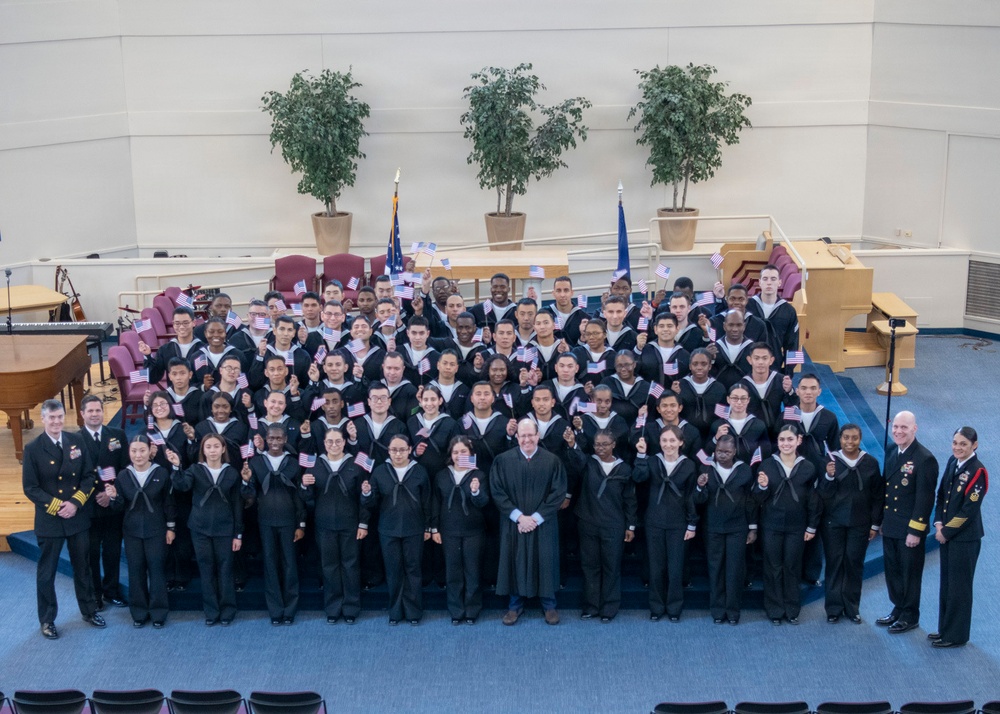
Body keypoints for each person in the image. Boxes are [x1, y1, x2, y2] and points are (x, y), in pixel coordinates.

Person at [22, 399, 104, 639]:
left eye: (60, 417)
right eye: (52, 418)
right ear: (43, 420)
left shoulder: (76, 441)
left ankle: (89, 611)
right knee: (47, 573)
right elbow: (31, 488)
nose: (57, 422)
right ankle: (47, 620)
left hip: (76, 517)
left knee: (84, 568)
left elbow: (89, 477)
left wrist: (75, 503)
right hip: (51, 519)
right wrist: (58, 506)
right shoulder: (33, 449)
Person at [167, 434, 253, 626]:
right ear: (203, 450)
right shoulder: (195, 470)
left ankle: (227, 610)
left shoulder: (232, 472)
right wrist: (175, 466)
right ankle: (211, 612)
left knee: (225, 570)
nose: (212, 450)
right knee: (206, 570)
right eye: (208, 447)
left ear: (223, 449)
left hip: (225, 529)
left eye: (216, 446)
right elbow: (182, 485)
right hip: (200, 529)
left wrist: (237, 533)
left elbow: (238, 505)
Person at [491, 419, 568, 626]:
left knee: (545, 560)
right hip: (514, 523)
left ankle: (549, 605)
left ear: (538, 435)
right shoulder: (502, 461)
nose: (527, 439)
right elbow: (497, 492)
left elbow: (558, 493)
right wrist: (519, 517)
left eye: (530, 435)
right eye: (522, 436)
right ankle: (515, 606)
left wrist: (535, 518)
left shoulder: (552, 461)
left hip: (543, 523)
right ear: (517, 438)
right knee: (515, 559)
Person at [361, 435, 433, 625]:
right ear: (388, 451)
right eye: (394, 450)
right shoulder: (380, 471)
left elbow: (427, 501)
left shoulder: (419, 471)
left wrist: (428, 526)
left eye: (402, 450)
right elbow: (371, 503)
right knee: (393, 572)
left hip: (414, 528)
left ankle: (413, 612)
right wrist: (367, 493)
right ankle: (395, 611)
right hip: (388, 529)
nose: (398, 454)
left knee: (413, 570)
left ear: (410, 450)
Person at [877, 410, 938, 634]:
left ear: (915, 429)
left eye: (904, 427)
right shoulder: (892, 450)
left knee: (909, 573)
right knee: (892, 570)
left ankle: (910, 615)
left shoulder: (925, 458)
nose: (899, 431)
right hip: (891, 523)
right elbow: (886, 489)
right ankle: (898, 607)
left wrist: (916, 530)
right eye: (896, 427)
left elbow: (925, 498)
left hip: (909, 528)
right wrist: (881, 521)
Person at [817, 423, 884, 624]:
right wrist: (829, 476)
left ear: (860, 439)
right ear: (840, 439)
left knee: (854, 565)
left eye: (854, 438)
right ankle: (833, 608)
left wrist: (874, 524)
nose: (850, 442)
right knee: (835, 564)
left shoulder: (870, 462)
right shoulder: (830, 461)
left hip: (860, 523)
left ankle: (852, 608)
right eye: (846, 437)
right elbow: (822, 495)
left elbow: (877, 496)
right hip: (833, 522)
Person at [753, 424, 819, 625]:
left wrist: (811, 526)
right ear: (777, 442)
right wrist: (762, 486)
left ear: (798, 441)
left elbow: (813, 500)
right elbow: (758, 498)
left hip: (797, 527)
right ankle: (774, 609)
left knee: (791, 566)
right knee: (772, 566)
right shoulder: (766, 465)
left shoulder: (808, 467)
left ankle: (791, 609)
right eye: (782, 440)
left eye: (790, 439)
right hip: (771, 525)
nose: (786, 443)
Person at [301, 426, 368, 624]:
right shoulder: (315, 465)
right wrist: (303, 485)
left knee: (350, 566)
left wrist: (363, 523)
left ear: (344, 442)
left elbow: (364, 499)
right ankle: (333, 607)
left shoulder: (355, 465)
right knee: (329, 567)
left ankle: (351, 608)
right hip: (325, 525)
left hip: (350, 524)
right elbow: (307, 498)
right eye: (330, 442)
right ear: (324, 444)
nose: (334, 445)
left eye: (338, 441)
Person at [929, 426, 987, 648]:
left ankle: (956, 635)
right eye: (955, 442)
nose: (958, 447)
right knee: (947, 584)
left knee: (960, 589)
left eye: (963, 444)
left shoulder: (977, 471)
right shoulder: (953, 462)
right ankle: (945, 629)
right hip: (948, 534)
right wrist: (938, 523)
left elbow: (968, 510)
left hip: (965, 539)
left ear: (975, 445)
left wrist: (946, 531)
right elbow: (942, 494)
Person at [243, 424, 307, 625]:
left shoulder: (293, 463)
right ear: (266, 439)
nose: (275, 442)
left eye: (279, 438)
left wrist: (301, 524)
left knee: (289, 565)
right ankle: (275, 610)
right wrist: (245, 482)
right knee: (270, 565)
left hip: (289, 521)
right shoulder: (256, 462)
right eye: (271, 438)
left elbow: (299, 497)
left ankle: (290, 609)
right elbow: (249, 497)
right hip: (266, 521)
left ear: (286, 439)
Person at [110, 435, 176, 628]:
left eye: (142, 450)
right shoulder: (123, 475)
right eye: (134, 451)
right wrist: (114, 498)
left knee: (157, 571)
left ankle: (158, 613)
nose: (138, 455)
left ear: (150, 451)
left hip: (156, 529)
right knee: (136, 571)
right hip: (132, 531)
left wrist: (171, 527)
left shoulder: (161, 473)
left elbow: (168, 503)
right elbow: (119, 507)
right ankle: (139, 612)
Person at [634, 425, 698, 622]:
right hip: (654, 521)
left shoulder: (688, 465)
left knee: (675, 567)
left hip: (678, 524)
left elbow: (691, 497)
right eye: (664, 441)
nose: (668, 445)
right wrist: (641, 456)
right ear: (659, 443)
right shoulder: (652, 461)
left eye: (672, 441)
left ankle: (674, 608)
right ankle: (656, 607)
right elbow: (639, 478)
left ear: (681, 443)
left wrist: (692, 524)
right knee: (656, 567)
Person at [693, 434, 757, 625]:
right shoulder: (706, 469)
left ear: (734, 452)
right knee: (716, 569)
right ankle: (718, 611)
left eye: (727, 452)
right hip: (713, 527)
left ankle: (733, 611)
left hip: (737, 528)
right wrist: (699, 487)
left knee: (734, 570)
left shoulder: (744, 470)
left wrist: (752, 528)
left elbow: (750, 501)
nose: (722, 455)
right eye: (719, 451)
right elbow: (699, 501)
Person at [574, 429, 637, 622]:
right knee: (590, 566)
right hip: (588, 523)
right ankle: (591, 607)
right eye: (597, 445)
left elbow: (630, 500)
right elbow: (575, 460)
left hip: (613, 525)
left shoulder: (624, 469)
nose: (600, 448)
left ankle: (609, 608)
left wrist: (631, 526)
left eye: (605, 444)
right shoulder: (588, 463)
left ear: (614, 445)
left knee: (611, 567)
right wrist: (573, 442)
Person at [431, 436, 490, 624]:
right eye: (455, 452)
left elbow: (483, 503)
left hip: (474, 530)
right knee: (453, 572)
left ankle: (472, 610)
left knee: (472, 571)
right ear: (450, 454)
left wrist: (475, 491)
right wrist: (435, 528)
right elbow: (435, 504)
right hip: (449, 531)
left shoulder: (478, 475)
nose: (459, 455)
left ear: (471, 453)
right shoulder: (441, 475)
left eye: (463, 451)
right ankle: (456, 611)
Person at [78, 394, 129, 611]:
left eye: (98, 410)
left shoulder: (117, 435)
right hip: (89, 507)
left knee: (112, 552)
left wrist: (112, 493)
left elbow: (126, 469)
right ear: (82, 414)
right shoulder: (74, 440)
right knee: (91, 555)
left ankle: (111, 592)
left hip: (112, 505)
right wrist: (95, 494)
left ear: (103, 412)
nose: (94, 414)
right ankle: (95, 596)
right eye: (90, 411)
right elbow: (75, 476)